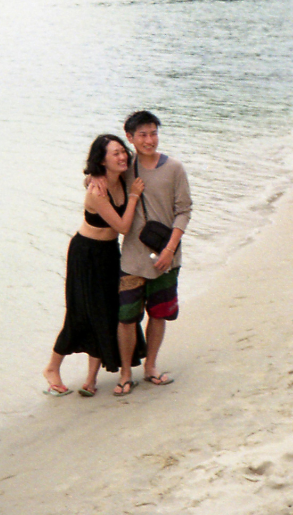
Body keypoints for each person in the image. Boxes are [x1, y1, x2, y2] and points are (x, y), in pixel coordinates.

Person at [42, 135, 146, 397]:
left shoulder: (119, 177)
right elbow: (122, 226)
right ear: (102, 160)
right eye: (115, 154)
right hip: (85, 254)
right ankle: (52, 368)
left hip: (109, 253)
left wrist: (92, 175)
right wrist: (133, 197)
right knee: (81, 313)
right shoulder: (97, 191)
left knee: (107, 311)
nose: (122, 157)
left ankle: (90, 379)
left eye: (123, 151)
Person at [114, 110, 191, 397]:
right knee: (126, 317)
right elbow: (100, 181)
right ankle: (125, 372)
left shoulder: (174, 168)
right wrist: (92, 180)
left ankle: (151, 367)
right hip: (132, 258)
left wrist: (170, 250)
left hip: (166, 256)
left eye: (153, 133)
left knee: (158, 314)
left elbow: (184, 211)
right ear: (130, 138)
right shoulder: (124, 169)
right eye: (143, 135)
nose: (150, 140)